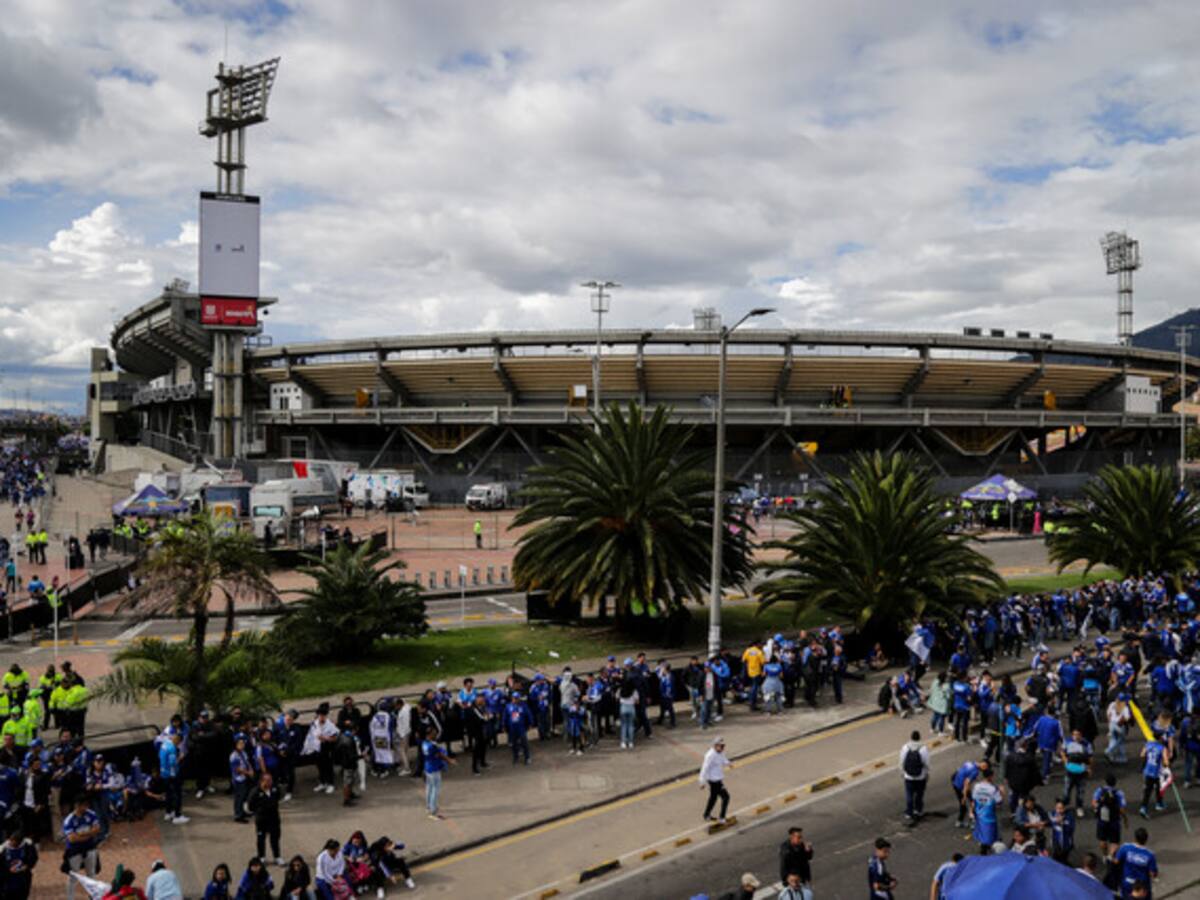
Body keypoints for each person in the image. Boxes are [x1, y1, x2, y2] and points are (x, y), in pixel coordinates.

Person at [63, 796, 101, 900]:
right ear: (77, 805)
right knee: (73, 876)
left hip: (90, 848)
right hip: (75, 851)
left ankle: (93, 897)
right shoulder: (69, 820)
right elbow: (72, 839)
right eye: (83, 805)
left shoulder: (91, 814)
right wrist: (89, 835)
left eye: (86, 805)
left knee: (91, 874)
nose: (86, 808)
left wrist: (82, 834)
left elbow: (97, 829)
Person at [246, 773, 283, 867]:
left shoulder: (275, 789)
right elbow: (250, 806)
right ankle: (261, 857)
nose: (270, 782)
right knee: (261, 839)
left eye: (271, 780)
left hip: (274, 819)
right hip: (262, 820)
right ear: (262, 781)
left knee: (275, 838)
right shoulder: (255, 792)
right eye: (267, 780)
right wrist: (259, 811)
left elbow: (278, 797)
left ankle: (277, 857)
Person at [970, 766, 1004, 853]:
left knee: (982, 835)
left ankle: (983, 850)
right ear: (990, 777)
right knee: (992, 837)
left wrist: (971, 812)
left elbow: (973, 800)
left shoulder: (976, 786)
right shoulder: (993, 789)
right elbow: (999, 802)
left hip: (979, 815)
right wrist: (1002, 792)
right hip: (989, 816)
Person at [1115, 828, 1157, 899]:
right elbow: (1152, 874)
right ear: (1146, 839)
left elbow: (1116, 861)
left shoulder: (1125, 847)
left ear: (1135, 838)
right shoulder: (1150, 855)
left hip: (1127, 882)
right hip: (1141, 887)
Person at [1093, 772, 1128, 860]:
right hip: (1114, 820)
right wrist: (1125, 819)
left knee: (1102, 839)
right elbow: (1122, 808)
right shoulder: (1119, 793)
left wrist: (1098, 809)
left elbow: (1094, 803)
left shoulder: (1100, 790)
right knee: (1114, 841)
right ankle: (1111, 856)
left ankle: (1104, 856)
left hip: (1102, 819)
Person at [699, 736, 732, 824]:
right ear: (715, 745)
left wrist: (728, 763)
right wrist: (702, 782)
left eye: (723, 746)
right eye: (721, 746)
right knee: (726, 797)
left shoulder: (720, 752)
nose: (723, 748)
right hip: (714, 781)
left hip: (718, 778)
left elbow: (723, 759)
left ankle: (706, 815)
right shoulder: (710, 755)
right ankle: (722, 818)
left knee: (713, 798)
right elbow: (704, 769)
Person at [899, 729, 929, 823]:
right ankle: (918, 810)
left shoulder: (905, 747)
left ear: (911, 737)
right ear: (919, 738)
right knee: (919, 794)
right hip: (921, 776)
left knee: (909, 795)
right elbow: (927, 763)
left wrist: (902, 773)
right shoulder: (923, 748)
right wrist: (927, 773)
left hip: (908, 776)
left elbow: (902, 761)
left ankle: (909, 812)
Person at [158, 732, 187, 824]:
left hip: (163, 773)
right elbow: (173, 764)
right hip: (172, 775)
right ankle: (177, 816)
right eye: (179, 742)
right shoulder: (172, 749)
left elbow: (160, 756)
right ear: (178, 740)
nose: (178, 744)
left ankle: (168, 813)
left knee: (168, 794)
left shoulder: (165, 744)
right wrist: (180, 758)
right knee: (177, 794)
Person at [421, 734, 452, 819]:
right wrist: (450, 761)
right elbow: (441, 755)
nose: (436, 734)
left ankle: (428, 807)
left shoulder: (424, 744)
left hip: (428, 768)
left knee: (429, 788)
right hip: (434, 769)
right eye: (433, 733)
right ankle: (433, 811)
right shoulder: (433, 746)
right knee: (435, 790)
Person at [1, 829, 37, 900]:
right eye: (12, 842)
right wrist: (8, 869)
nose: (12, 844)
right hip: (8, 879)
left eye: (15, 843)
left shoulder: (28, 846)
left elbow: (33, 858)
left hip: (23, 877)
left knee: (22, 894)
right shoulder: (3, 848)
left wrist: (27, 866)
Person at [1138, 735, 1169, 818]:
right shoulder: (1162, 748)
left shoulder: (1148, 744)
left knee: (1148, 789)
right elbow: (1166, 762)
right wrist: (1164, 763)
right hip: (1156, 771)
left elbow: (1142, 754)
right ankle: (1157, 804)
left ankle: (1145, 806)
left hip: (1148, 770)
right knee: (1159, 787)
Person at [778, 826, 813, 896]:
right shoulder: (785, 849)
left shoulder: (801, 845)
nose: (801, 840)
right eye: (798, 837)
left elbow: (809, 857)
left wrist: (808, 851)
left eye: (801, 837)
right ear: (792, 837)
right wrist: (786, 882)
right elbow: (783, 866)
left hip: (803, 878)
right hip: (793, 881)